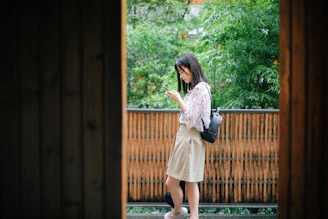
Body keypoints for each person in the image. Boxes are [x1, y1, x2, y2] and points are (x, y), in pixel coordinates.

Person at [164, 52, 211, 219]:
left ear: (191, 68)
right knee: (180, 181)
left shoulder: (200, 89)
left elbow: (191, 118)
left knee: (187, 181)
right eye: (179, 73)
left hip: (190, 138)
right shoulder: (194, 89)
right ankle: (180, 211)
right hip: (184, 138)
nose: (181, 75)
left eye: (182, 71)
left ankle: (189, 214)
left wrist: (178, 99)